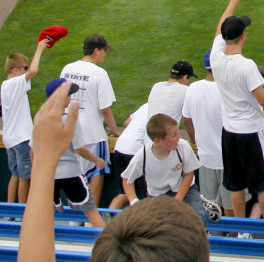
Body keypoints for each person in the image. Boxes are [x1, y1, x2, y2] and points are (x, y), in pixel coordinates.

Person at [16, 83, 207, 262]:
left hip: (57, 175)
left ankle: (92, 231)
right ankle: (98, 232)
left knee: (61, 207)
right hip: (82, 176)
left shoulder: (176, 149)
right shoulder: (146, 153)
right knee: (90, 209)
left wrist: (43, 165)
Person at [211, 0, 264, 219]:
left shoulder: (216, 58)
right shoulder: (246, 65)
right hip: (252, 132)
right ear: (243, 36)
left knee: (236, 185)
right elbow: (263, 99)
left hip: (229, 132)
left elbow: (220, 28)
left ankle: (242, 228)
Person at [39, 78, 106, 228]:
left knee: (46, 212)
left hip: (49, 174)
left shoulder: (41, 119)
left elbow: (33, 150)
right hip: (71, 173)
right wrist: (97, 160)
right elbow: (79, 148)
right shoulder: (71, 119)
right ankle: (105, 243)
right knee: (91, 212)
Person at [60, 33, 120, 201]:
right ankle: (89, 219)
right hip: (93, 135)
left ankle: (74, 219)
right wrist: (114, 129)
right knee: (96, 173)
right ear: (96, 51)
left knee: (73, 176)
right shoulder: (100, 74)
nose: (105, 54)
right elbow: (105, 109)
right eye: (104, 50)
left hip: (68, 132)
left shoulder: (67, 69)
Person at [120, 113, 205, 220]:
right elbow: (127, 179)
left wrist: (177, 200)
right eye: (174, 135)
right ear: (158, 141)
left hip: (184, 190)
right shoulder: (143, 155)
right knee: (159, 223)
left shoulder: (183, 147)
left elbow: (188, 175)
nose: (179, 137)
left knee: (199, 216)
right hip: (158, 194)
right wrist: (134, 201)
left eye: (178, 132)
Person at [181, 50, 231, 218]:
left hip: (206, 157)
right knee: (231, 207)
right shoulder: (227, 89)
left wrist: (196, 139)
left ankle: (216, 241)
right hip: (228, 160)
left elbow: (186, 120)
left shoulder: (192, 88)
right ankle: (232, 240)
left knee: (211, 207)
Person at [1, 38, 51, 203]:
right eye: (24, 68)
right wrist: (39, 49)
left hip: (10, 139)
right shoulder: (15, 83)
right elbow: (34, 72)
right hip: (21, 138)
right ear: (15, 70)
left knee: (15, 175)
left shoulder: (5, 84)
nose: (26, 70)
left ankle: (11, 209)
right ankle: (24, 210)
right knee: (25, 177)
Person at [145, 60, 194, 140]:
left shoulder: (156, 86)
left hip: (148, 141)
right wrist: (194, 140)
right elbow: (187, 121)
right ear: (185, 77)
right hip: (166, 143)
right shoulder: (186, 90)